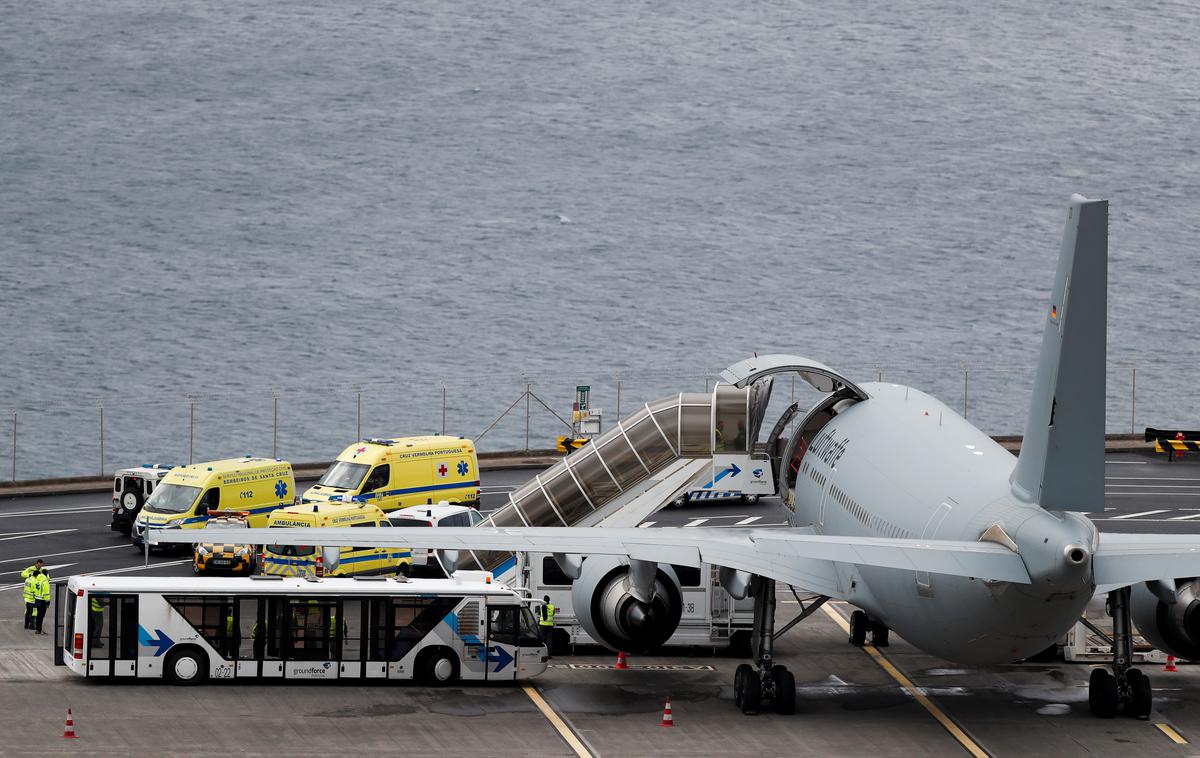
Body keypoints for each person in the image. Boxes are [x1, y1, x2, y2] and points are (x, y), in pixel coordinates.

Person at [33, 569, 51, 635]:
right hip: (43, 600)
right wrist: (47, 602)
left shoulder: (38, 579)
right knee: (41, 616)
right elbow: (46, 592)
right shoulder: (44, 581)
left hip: (37, 599)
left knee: (38, 615)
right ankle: (39, 630)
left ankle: (37, 629)